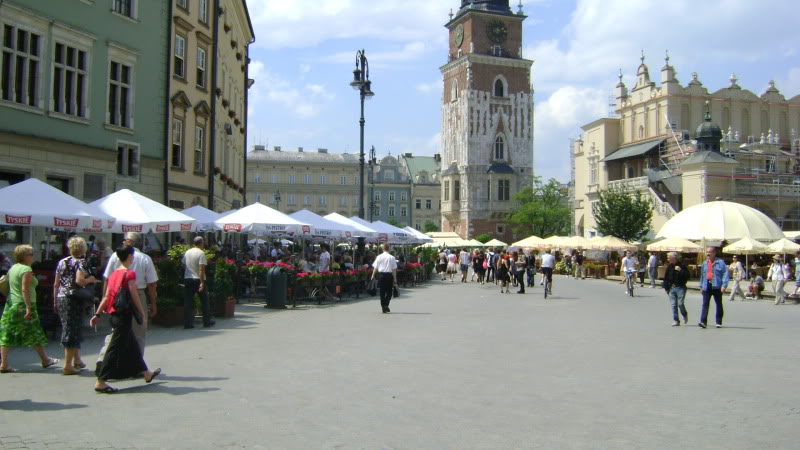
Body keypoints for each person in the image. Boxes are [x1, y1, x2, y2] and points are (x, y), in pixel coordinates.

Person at [90, 246, 161, 393]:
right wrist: (142, 312)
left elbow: (107, 295)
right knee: (114, 348)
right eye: (132, 256)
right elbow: (134, 295)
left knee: (132, 344)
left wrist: (97, 314)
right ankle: (101, 381)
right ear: (129, 257)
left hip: (114, 314)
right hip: (125, 314)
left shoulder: (115, 274)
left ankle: (146, 373)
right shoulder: (129, 274)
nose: (133, 258)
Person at [99, 232, 158, 369]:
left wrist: (105, 299)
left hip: (117, 294)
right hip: (138, 293)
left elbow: (107, 279)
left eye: (125, 239)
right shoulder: (145, 258)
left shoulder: (115, 256)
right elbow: (151, 284)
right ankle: (135, 366)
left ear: (130, 242)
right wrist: (153, 303)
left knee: (116, 329)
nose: (123, 242)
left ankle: (104, 359)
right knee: (138, 331)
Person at [0, 245, 60, 373]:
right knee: (32, 332)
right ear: (25, 257)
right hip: (24, 304)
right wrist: (28, 307)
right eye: (31, 254)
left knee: (11, 333)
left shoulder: (13, 268)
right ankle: (44, 360)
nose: (33, 256)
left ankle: (6, 364)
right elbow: (25, 289)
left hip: (11, 304)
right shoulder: (26, 270)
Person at [53, 237, 98, 375]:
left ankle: (77, 360)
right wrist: (90, 279)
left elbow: (56, 283)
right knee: (71, 330)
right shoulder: (81, 262)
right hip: (73, 299)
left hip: (61, 296)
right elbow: (79, 281)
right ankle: (67, 365)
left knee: (73, 327)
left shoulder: (62, 262)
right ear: (83, 248)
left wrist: (55, 300)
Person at [182, 237, 215, 329]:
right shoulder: (201, 253)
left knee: (188, 301)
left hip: (188, 278)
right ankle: (206, 321)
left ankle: (187, 323)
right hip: (198, 279)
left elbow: (184, 264)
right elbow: (201, 268)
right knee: (204, 301)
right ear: (201, 243)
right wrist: (202, 282)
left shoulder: (187, 252)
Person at [698, 247, 729, 329]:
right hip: (706, 285)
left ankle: (718, 322)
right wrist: (701, 286)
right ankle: (703, 322)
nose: (708, 254)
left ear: (714, 253)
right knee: (705, 304)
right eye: (707, 252)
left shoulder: (720, 262)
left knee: (718, 304)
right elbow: (702, 276)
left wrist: (724, 285)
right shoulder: (705, 263)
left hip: (717, 285)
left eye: (710, 252)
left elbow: (725, 274)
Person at [662, 252, 689, 326]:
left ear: (674, 258)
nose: (668, 259)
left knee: (680, 304)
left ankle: (684, 314)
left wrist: (680, 270)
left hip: (681, 287)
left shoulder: (682, 265)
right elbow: (666, 278)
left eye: (669, 258)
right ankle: (676, 320)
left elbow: (687, 276)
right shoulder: (669, 266)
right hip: (672, 288)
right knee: (673, 305)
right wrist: (666, 287)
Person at [371, 243, 397, 313]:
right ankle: (386, 304)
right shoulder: (392, 257)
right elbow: (394, 269)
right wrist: (395, 278)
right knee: (389, 292)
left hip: (381, 275)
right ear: (389, 249)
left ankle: (383, 306)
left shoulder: (379, 256)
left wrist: (373, 275)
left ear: (383, 249)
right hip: (389, 275)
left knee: (382, 291)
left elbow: (375, 267)